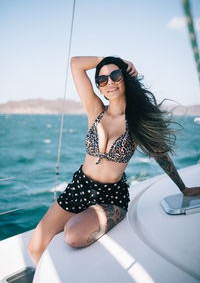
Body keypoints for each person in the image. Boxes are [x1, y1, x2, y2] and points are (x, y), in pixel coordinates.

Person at [27, 56, 200, 266]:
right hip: (79, 186)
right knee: (34, 247)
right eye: (102, 79)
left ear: (125, 79)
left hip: (110, 196)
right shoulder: (95, 111)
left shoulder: (137, 122)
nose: (109, 82)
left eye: (115, 75)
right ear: (99, 87)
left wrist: (183, 188)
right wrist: (112, 59)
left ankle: (92, 218)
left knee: (73, 236)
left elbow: (160, 154)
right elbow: (75, 64)